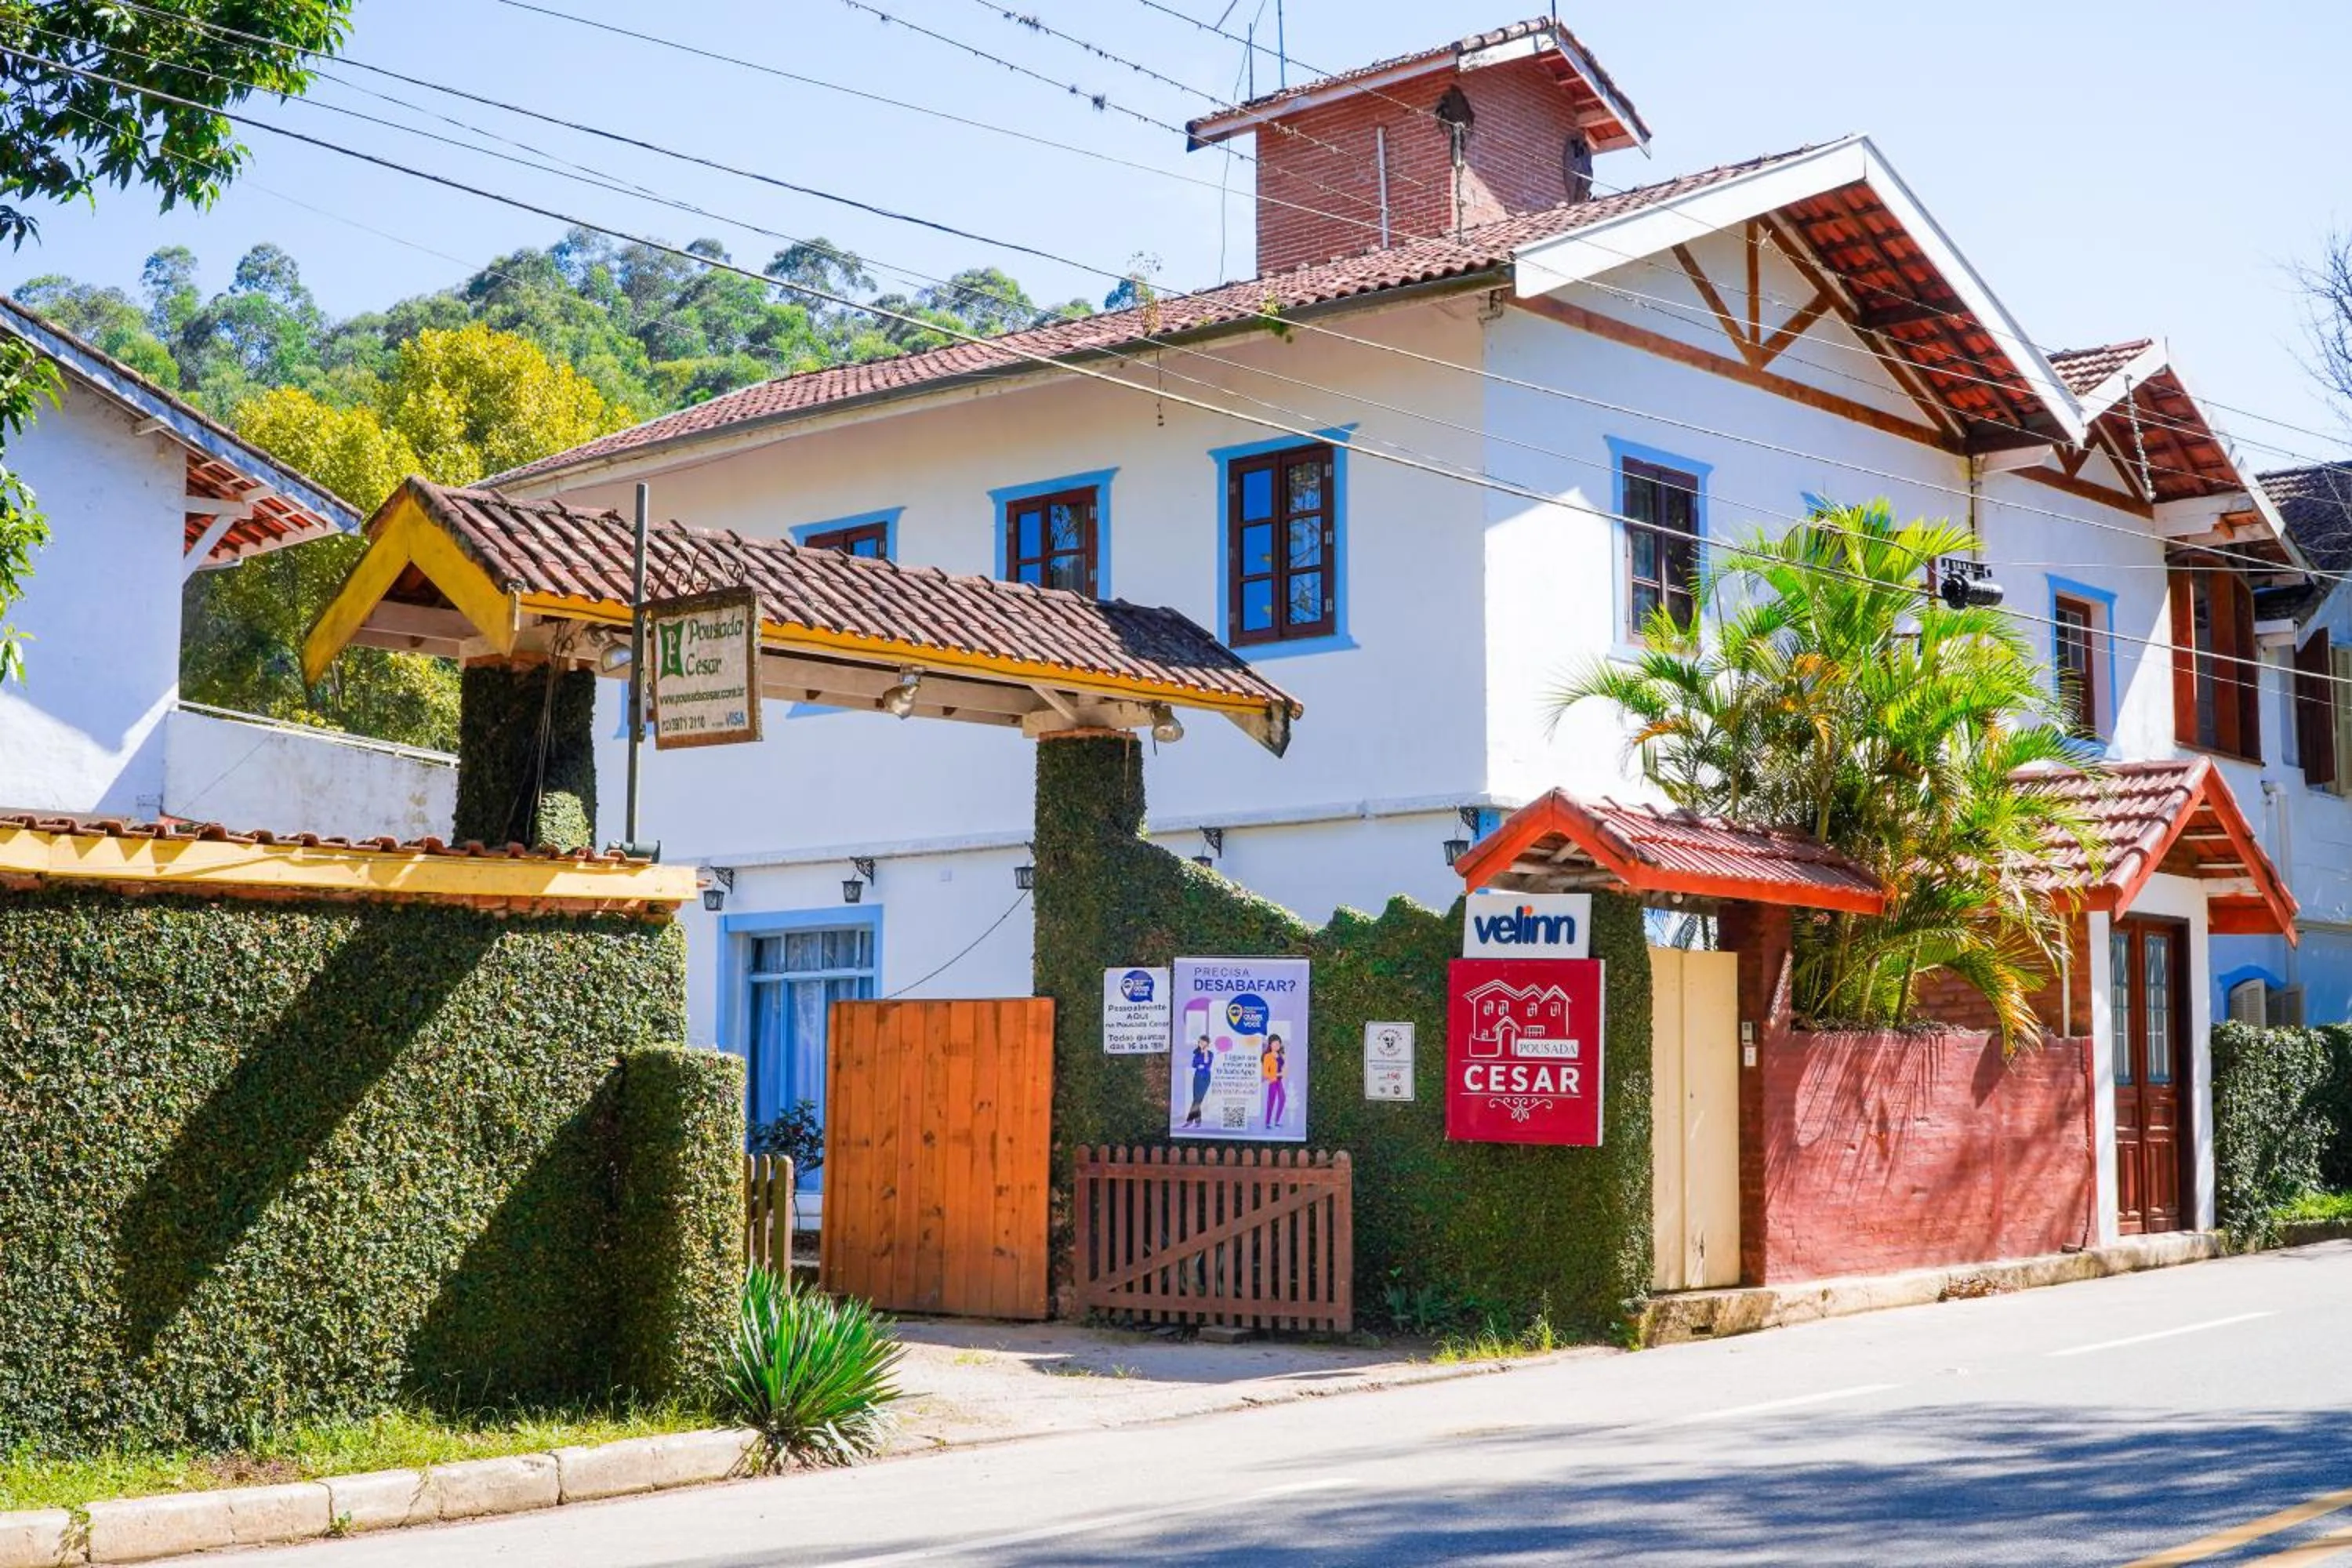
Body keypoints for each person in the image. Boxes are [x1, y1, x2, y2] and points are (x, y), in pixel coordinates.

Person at [1183, 1035, 1214, 1128]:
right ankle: (1197, 1121)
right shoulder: (1196, 1053)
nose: (1201, 1043)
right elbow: (1194, 1064)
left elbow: (1207, 1062)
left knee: (1198, 1099)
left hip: (1205, 1077)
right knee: (1197, 1099)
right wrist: (1199, 1065)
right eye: (1200, 1042)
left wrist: (1204, 1052)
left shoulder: (1210, 1053)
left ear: (1207, 1043)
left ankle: (1190, 1121)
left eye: (1203, 1042)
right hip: (1197, 1076)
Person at [1261, 1033, 1287, 1128]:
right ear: (1270, 1045)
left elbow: (1284, 1067)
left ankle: (1277, 1121)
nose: (1277, 1046)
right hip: (1273, 1081)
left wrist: (1284, 1071)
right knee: (1271, 1102)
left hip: (1280, 1081)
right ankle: (1268, 1122)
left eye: (1278, 1044)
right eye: (1274, 1044)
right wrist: (1277, 1074)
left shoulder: (1280, 1055)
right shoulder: (1267, 1056)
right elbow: (1265, 1074)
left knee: (1282, 1099)